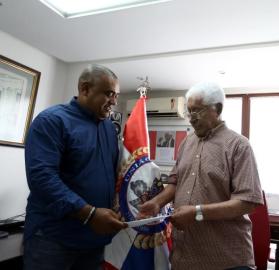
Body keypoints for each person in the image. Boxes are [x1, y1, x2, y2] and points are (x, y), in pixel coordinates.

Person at [139, 82, 263, 270]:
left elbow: (248, 201)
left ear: (218, 109)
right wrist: (158, 202)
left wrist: (197, 212)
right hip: (184, 258)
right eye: (189, 112)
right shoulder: (187, 142)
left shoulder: (239, 146)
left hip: (225, 260)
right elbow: (175, 182)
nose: (191, 119)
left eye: (196, 111)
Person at [24, 64, 127, 270]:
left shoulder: (108, 127)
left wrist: (119, 201)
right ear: (85, 89)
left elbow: (111, 171)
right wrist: (89, 213)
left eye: (116, 95)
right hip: (53, 240)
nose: (114, 102)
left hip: (94, 240)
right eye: (109, 94)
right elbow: (42, 178)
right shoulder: (52, 121)